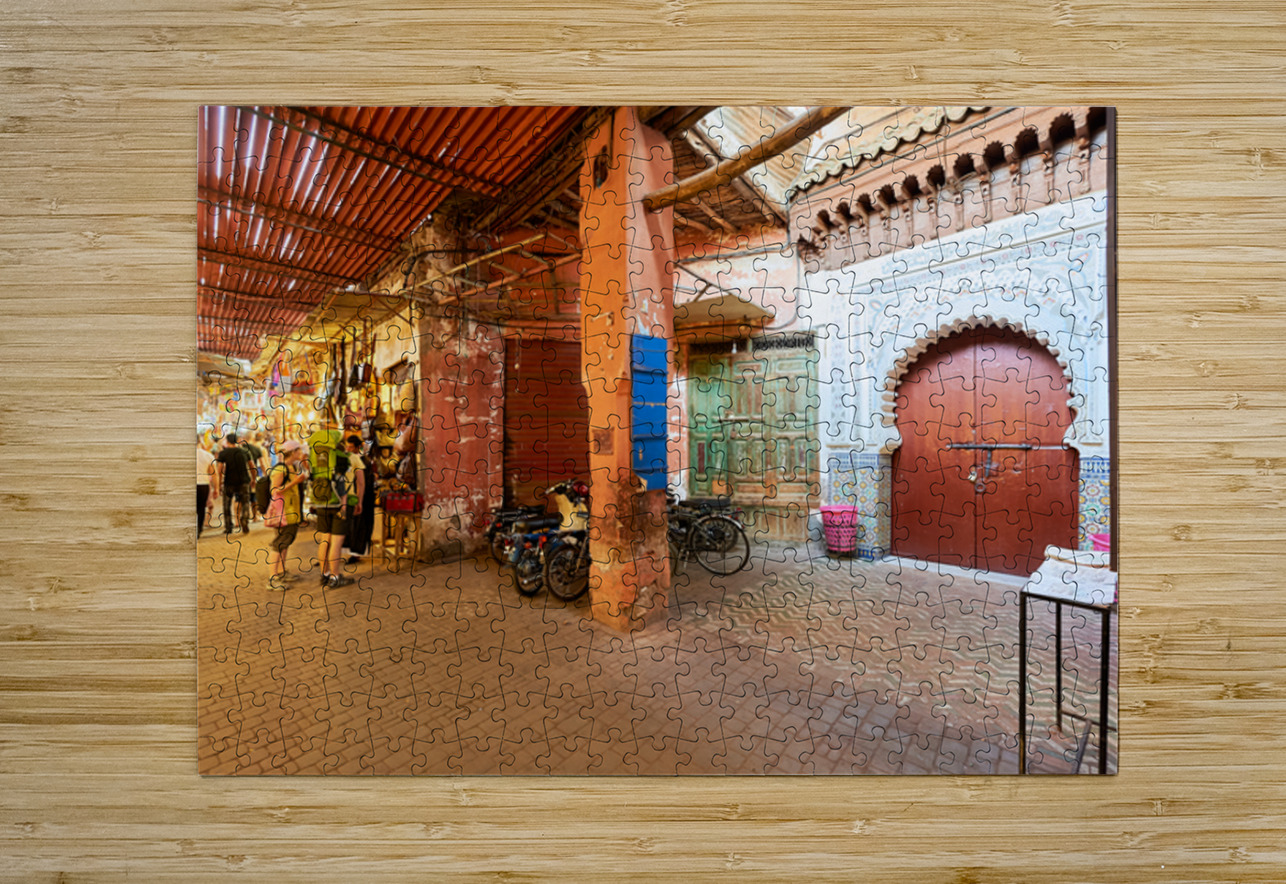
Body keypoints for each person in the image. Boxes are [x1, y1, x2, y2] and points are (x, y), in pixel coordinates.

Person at [307, 427, 356, 588]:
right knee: (336, 543)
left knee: (324, 540)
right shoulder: (340, 457)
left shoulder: (312, 457)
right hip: (337, 504)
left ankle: (325, 574)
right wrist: (343, 506)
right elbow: (342, 483)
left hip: (320, 502)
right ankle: (335, 578)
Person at [266, 440, 309, 591]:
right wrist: (295, 482)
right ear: (293, 452)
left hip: (292, 512)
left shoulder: (292, 466)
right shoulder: (280, 469)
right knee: (279, 543)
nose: (301, 453)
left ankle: (281, 572)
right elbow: (274, 491)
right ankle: (273, 578)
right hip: (284, 513)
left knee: (285, 543)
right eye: (299, 451)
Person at [343, 434, 375, 563]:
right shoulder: (348, 460)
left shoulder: (365, 461)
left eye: (351, 447)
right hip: (351, 497)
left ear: (357, 447)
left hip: (363, 498)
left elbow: (364, 483)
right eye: (348, 447)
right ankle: (348, 552)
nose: (349, 449)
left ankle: (356, 554)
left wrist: (359, 498)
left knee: (360, 526)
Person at [215, 432, 253, 535]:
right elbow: (252, 466)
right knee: (245, 502)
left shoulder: (223, 453)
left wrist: (218, 486)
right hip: (244, 481)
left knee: (226, 505)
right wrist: (253, 479)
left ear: (227, 442)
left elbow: (219, 470)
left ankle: (228, 527)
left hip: (229, 482)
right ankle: (244, 519)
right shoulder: (245, 451)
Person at [197, 435, 219, 538]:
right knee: (201, 508)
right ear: (200, 441)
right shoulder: (208, 455)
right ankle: (199, 529)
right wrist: (217, 488)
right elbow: (214, 474)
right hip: (203, 485)